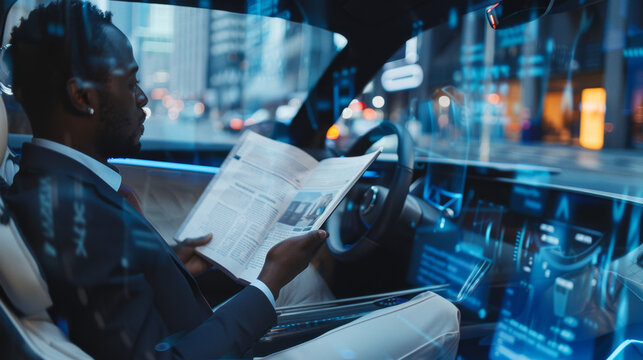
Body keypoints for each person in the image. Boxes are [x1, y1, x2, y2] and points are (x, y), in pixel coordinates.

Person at [4, 1, 327, 358]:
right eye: (130, 83)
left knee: (306, 285)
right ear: (82, 97)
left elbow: (118, 286)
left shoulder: (53, 184)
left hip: (187, 329)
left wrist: (168, 261)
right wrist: (271, 281)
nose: (142, 98)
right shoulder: (75, 217)